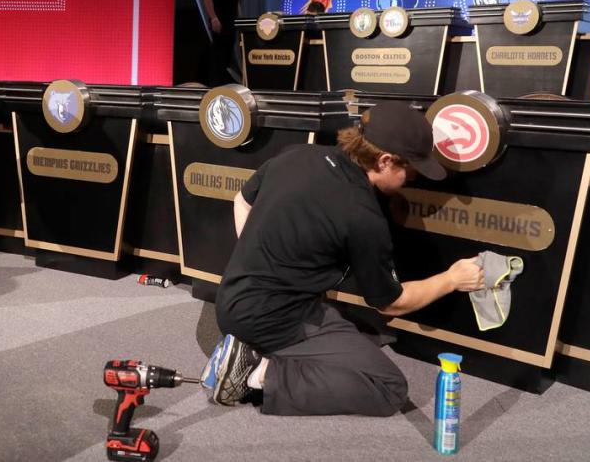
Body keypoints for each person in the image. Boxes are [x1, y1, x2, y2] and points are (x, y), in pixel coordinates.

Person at [204, 101, 485, 415]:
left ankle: (258, 348)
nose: (413, 176)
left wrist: (260, 258)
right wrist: (452, 278)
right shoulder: (362, 216)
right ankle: (259, 372)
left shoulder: (298, 155)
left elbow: (241, 200)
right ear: (385, 161)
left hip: (231, 298)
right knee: (388, 387)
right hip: (274, 319)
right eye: (411, 169)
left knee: (357, 331)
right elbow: (392, 302)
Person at [203, 0, 246, 85]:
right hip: (220, 22)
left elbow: (236, 1)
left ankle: (224, 84)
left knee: (228, 54)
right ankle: (214, 85)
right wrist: (214, 18)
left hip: (232, 22)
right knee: (219, 55)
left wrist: (241, 21)